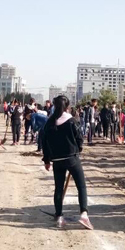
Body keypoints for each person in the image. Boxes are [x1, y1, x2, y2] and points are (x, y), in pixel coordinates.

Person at [42, 95, 92, 230]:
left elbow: (44, 142)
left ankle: (59, 216)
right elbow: (79, 138)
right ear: (67, 106)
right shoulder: (72, 121)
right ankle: (84, 215)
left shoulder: (50, 122)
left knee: (58, 188)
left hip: (57, 160)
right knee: (81, 186)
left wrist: (46, 160)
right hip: (72, 158)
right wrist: (78, 149)